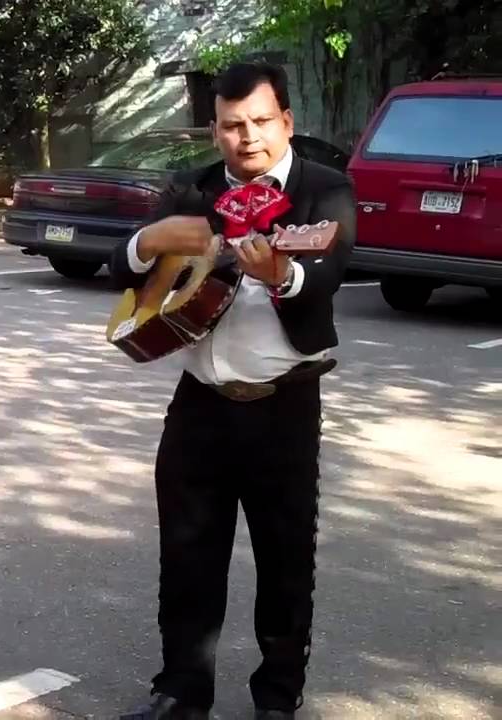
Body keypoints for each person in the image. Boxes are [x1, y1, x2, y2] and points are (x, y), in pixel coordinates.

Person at [111, 63, 356, 720]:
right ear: (214, 130)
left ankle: (277, 697)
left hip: (284, 404)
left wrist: (281, 273)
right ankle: (181, 691)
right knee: (186, 555)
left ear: (286, 122)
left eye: (260, 121)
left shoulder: (324, 189)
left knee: (284, 558)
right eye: (230, 125)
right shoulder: (191, 189)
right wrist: (147, 241)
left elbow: (326, 272)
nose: (246, 137)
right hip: (200, 403)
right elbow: (122, 271)